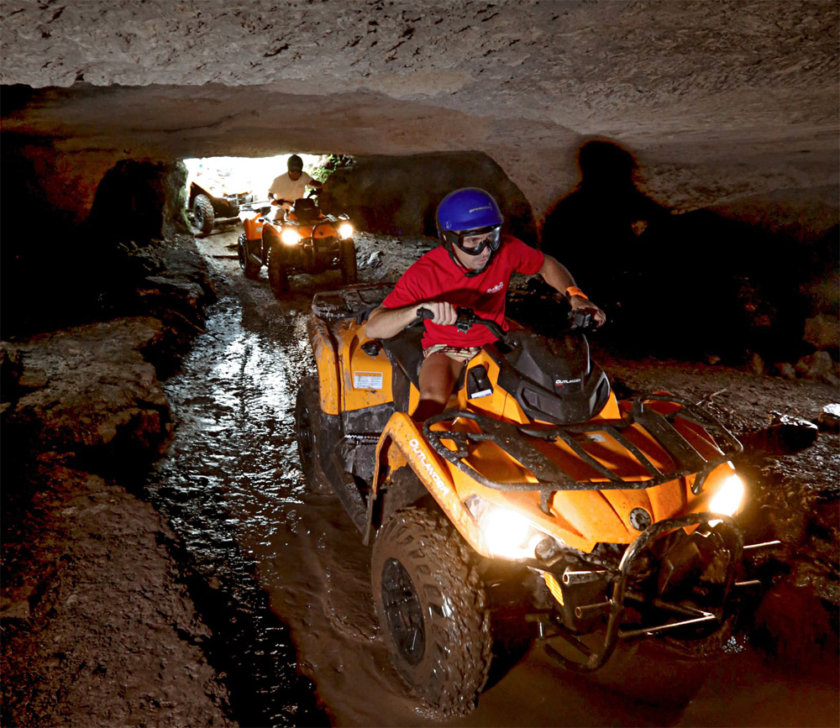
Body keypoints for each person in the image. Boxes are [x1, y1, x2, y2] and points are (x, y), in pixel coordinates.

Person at [365, 187, 606, 421]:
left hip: (499, 340)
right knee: (433, 399)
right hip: (449, 348)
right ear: (449, 240)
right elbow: (374, 327)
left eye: (491, 238)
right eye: (474, 241)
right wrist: (417, 310)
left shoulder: (506, 251)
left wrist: (576, 295)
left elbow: (546, 264)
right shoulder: (426, 273)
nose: (485, 251)